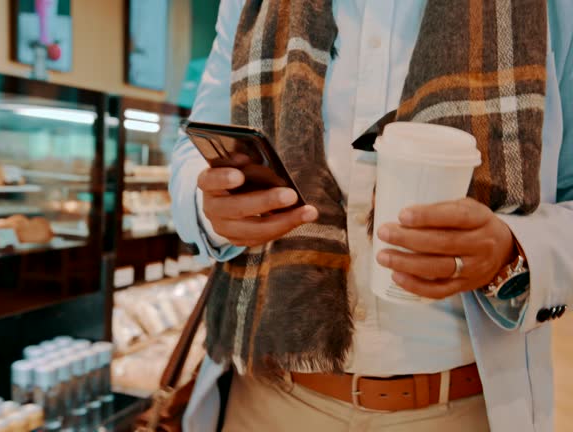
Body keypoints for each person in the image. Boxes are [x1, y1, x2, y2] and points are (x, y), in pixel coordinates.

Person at [169, 0, 573, 431]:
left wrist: (511, 250)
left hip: (459, 408)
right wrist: (212, 206)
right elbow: (193, 154)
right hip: (266, 399)